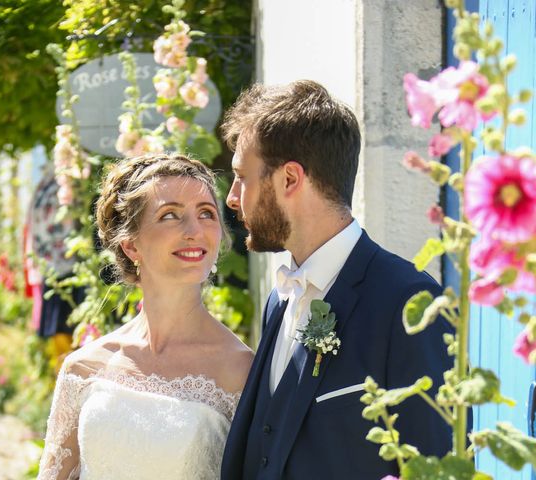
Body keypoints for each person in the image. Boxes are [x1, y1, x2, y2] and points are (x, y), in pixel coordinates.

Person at [220, 80, 453, 479]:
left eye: (242, 177)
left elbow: (433, 466)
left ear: (290, 179)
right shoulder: (281, 299)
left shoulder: (408, 303)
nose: (232, 197)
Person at [37, 153, 254, 480]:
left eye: (207, 213)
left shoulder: (240, 371)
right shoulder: (84, 369)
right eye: (171, 215)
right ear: (130, 246)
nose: (195, 230)